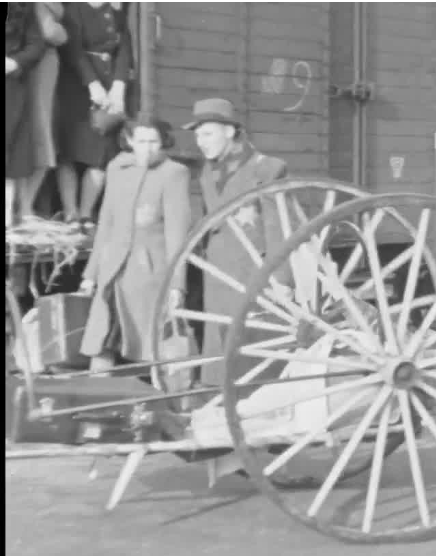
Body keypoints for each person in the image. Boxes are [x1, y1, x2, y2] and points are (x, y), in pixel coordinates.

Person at [182, 98, 290, 387]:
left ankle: (251, 402)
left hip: (250, 273)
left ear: (230, 131)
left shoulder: (266, 169)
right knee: (218, 342)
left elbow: (278, 228)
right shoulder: (209, 171)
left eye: (207, 133)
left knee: (250, 347)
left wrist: (282, 281)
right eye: (197, 135)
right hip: (217, 273)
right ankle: (216, 396)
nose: (200, 142)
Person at [79, 115, 192, 373]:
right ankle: (97, 399)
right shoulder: (118, 169)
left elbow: (178, 234)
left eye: (154, 141)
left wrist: (177, 285)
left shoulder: (174, 173)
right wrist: (91, 274)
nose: (148, 147)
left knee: (149, 342)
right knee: (103, 338)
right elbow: (106, 223)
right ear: (129, 140)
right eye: (141, 141)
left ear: (164, 141)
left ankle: (157, 398)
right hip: (112, 270)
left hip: (148, 273)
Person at [56, 1, 134, 223]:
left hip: (109, 84)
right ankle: (70, 212)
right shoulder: (74, 9)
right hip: (75, 86)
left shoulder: (115, 11)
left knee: (101, 154)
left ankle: (85, 214)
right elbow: (73, 52)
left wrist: (119, 86)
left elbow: (124, 49)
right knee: (68, 152)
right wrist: (92, 84)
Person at [18, 1, 67, 219]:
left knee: (38, 132)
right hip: (35, 64)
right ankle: (24, 207)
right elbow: (51, 33)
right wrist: (62, 32)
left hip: (40, 64)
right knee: (37, 132)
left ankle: (24, 206)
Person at [6, 1, 46, 226]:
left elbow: (36, 44)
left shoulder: (23, 8)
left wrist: (15, 62)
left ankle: (6, 218)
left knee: (9, 151)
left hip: (10, 86)